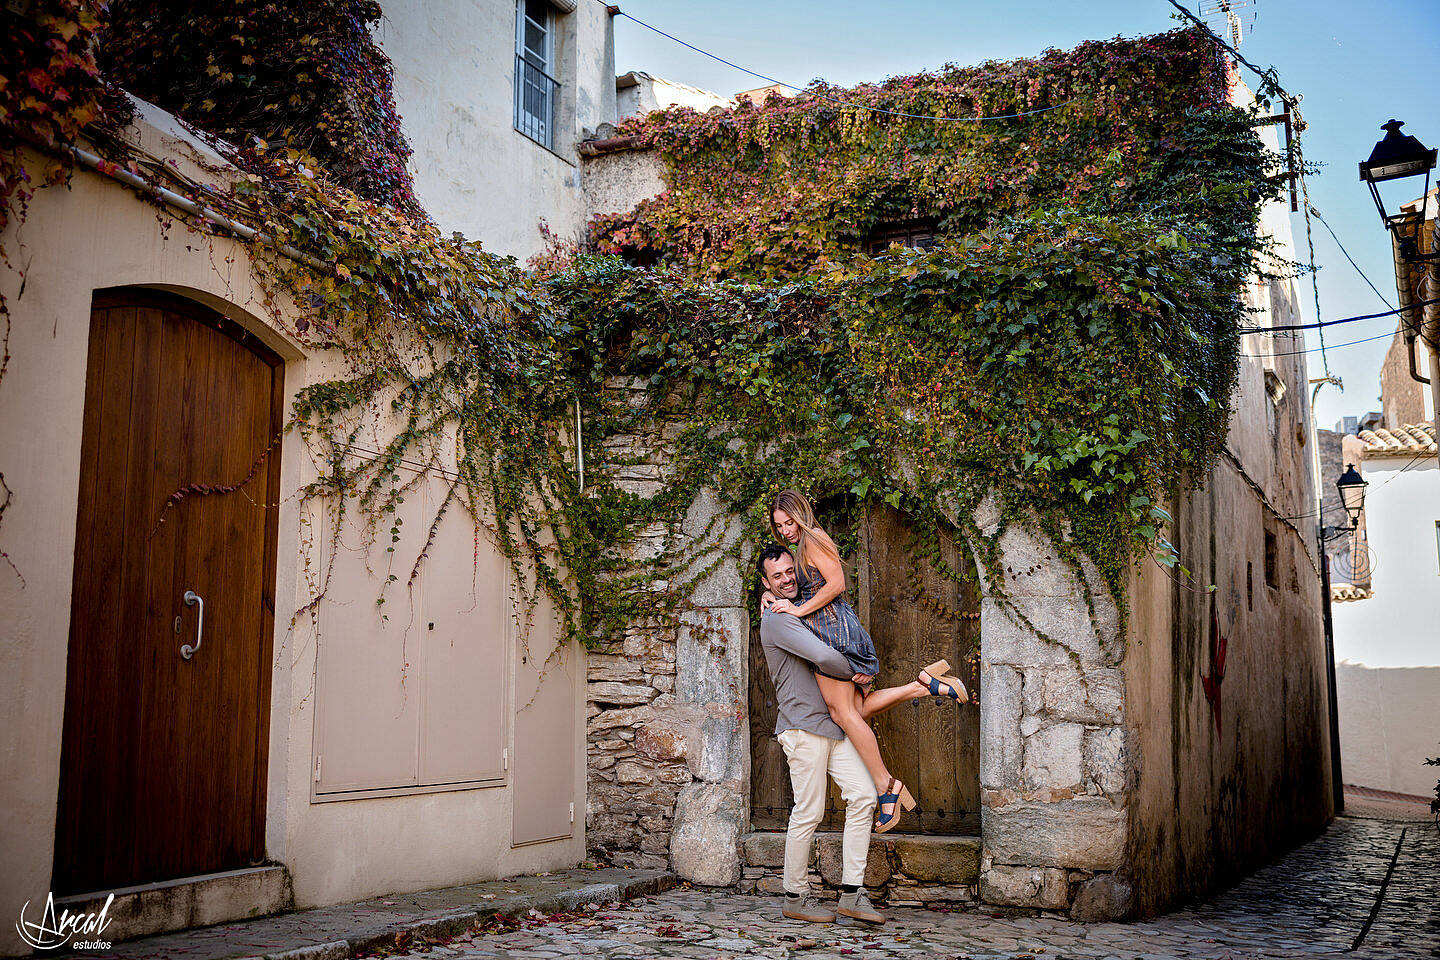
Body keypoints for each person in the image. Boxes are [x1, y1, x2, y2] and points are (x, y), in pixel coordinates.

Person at [757, 544, 962, 924]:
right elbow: (825, 658)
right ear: (765, 583)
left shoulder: (796, 606)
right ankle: (794, 895)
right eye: (777, 576)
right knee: (809, 812)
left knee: (865, 796)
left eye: (789, 572)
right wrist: (856, 670)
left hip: (832, 725)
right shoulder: (777, 618)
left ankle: (852, 893)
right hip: (804, 727)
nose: (786, 580)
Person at [765, 490, 969, 834]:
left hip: (833, 634)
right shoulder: (801, 546)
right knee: (855, 712)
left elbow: (837, 584)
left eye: (789, 522)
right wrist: (769, 595)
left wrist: (797, 610)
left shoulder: (813, 539)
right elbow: (794, 583)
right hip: (831, 630)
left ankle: (886, 787)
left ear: (801, 514)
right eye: (779, 525)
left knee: (842, 714)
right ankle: (924, 686)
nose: (785, 530)